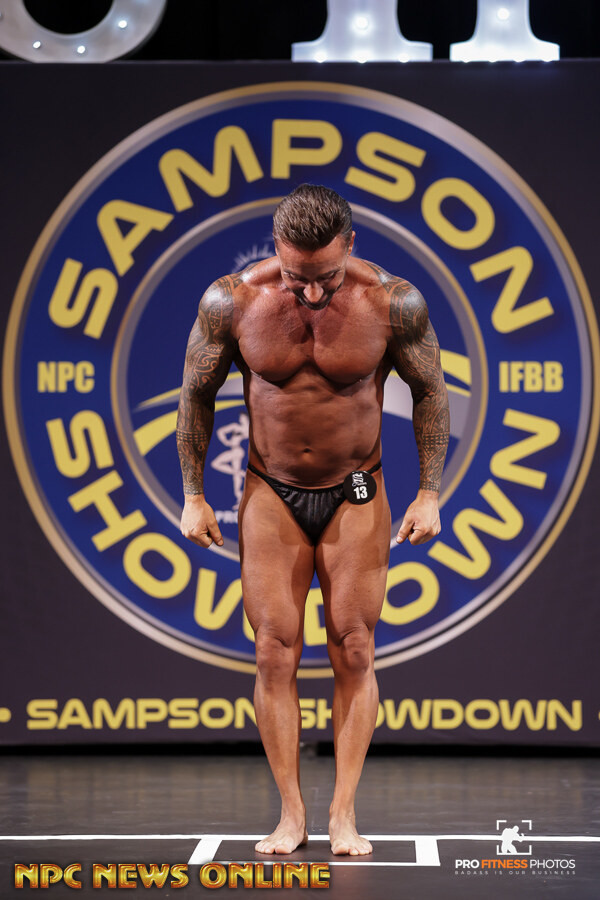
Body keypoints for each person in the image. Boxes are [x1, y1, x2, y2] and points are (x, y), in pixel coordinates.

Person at [176, 184, 449, 856]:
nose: (314, 291)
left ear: (350, 245)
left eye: (326, 274)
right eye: (299, 277)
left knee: (354, 645)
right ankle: (291, 815)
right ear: (277, 249)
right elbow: (196, 395)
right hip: (272, 489)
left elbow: (430, 391)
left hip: (356, 486)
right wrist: (193, 495)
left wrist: (429, 493)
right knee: (274, 649)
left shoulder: (393, 303)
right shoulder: (233, 301)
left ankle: (344, 815)